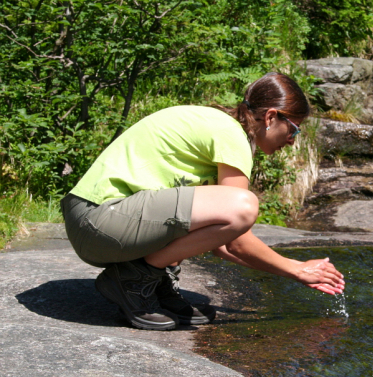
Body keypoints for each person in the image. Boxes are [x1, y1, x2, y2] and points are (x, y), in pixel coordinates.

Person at [61, 72, 346, 331]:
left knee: (215, 210)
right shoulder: (231, 135)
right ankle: (134, 280)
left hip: (96, 223)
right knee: (243, 205)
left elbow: (220, 242)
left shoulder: (220, 126)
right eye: (294, 130)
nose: (293, 141)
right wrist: (296, 269)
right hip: (98, 219)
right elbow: (237, 234)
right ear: (271, 117)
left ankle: (155, 282)